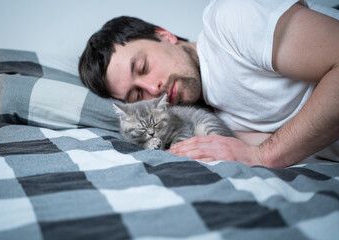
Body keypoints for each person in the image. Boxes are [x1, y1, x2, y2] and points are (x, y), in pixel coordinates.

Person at [78, 0, 339, 168]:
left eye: (143, 67)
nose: (152, 89)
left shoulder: (228, 20)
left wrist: (265, 155)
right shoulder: (210, 116)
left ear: (164, 35)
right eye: (137, 95)